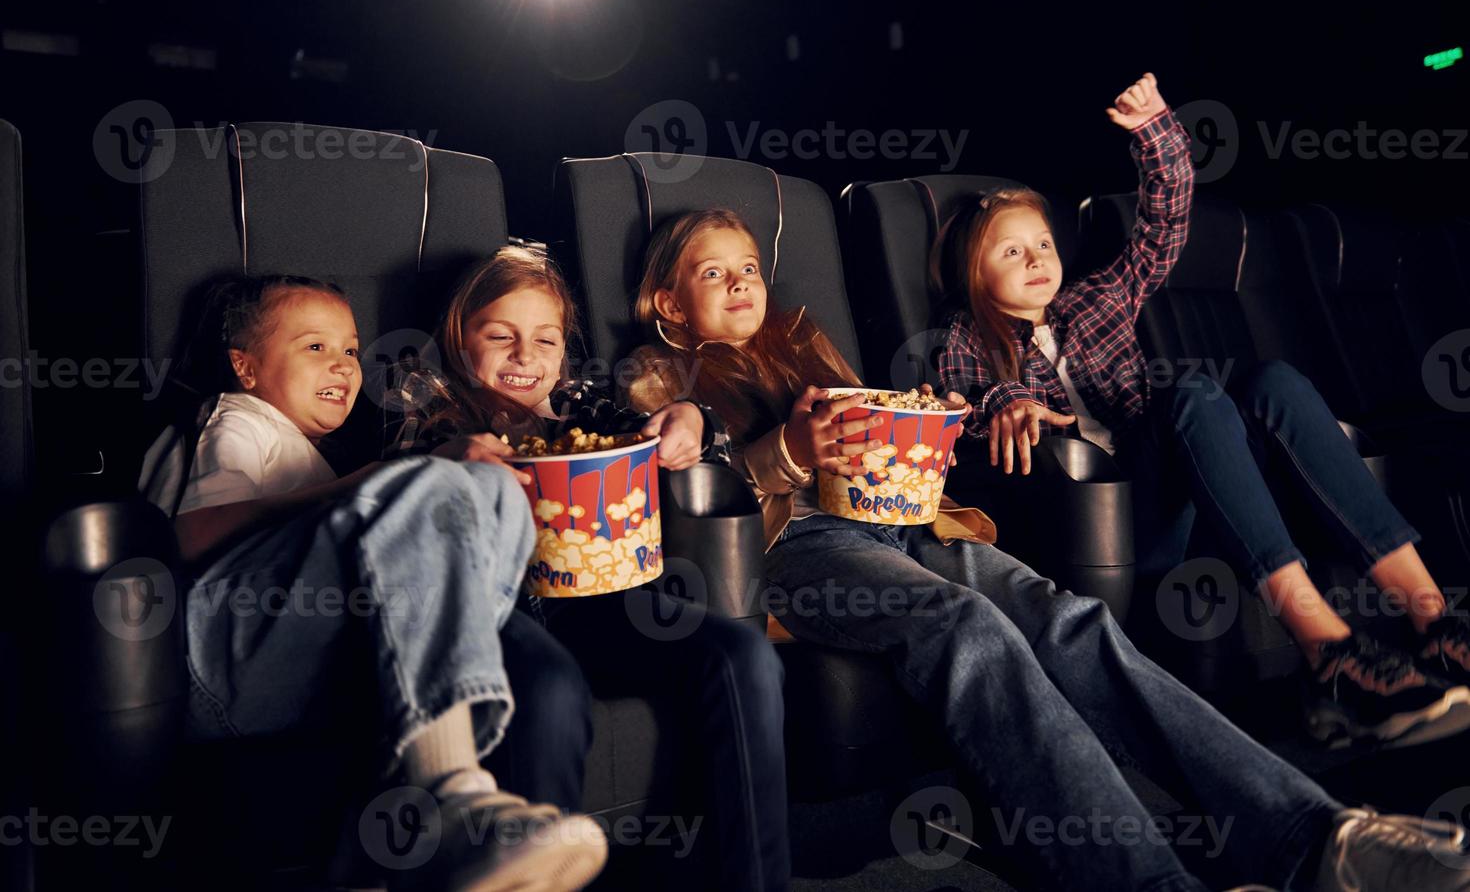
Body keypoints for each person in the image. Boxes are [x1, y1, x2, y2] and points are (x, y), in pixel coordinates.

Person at [622, 204, 1470, 892]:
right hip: (796, 547)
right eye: (712, 272)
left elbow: (875, 433)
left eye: (748, 268)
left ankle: (1316, 837)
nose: (741, 282)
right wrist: (779, 452)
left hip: (908, 521)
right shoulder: (660, 376)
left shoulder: (802, 345)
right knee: (967, 627)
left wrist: (919, 427)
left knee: (1072, 620)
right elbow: (690, 475)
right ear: (668, 304)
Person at [936, 72, 1470, 749]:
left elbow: (1165, 221)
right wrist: (1007, 399)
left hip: (1199, 493)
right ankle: (1331, 656)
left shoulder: (1098, 298)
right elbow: (965, 403)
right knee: (1191, 394)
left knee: (1274, 380)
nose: (1037, 258)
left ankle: (1435, 624)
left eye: (1042, 242)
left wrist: (1157, 129)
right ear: (973, 272)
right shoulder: (962, 333)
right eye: (1011, 251)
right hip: (1117, 521)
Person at [139, 274, 607, 892]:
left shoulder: (310, 455)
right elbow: (184, 539)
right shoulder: (235, 419)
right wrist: (382, 480)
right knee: (429, 484)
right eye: (314, 348)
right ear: (245, 368)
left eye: (350, 351)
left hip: (302, 662)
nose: (341, 365)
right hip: (215, 661)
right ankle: (451, 802)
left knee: (488, 483)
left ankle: (453, 800)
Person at [389, 245, 790, 892]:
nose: (526, 358)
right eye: (500, 337)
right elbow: (391, 500)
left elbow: (663, 428)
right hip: (493, 614)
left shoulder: (576, 406)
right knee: (550, 692)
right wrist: (450, 460)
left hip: (600, 604)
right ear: (459, 340)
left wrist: (690, 418)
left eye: (545, 340)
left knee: (742, 654)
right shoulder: (431, 409)